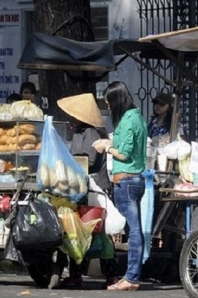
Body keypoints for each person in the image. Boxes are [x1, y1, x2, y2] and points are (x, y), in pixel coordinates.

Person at [57, 93, 119, 289]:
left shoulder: (91, 133)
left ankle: (111, 276)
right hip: (81, 188)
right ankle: (76, 275)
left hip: (96, 189)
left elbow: (88, 160)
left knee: (100, 234)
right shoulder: (77, 131)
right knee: (78, 233)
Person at [93, 81, 147, 291]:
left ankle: (132, 277)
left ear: (117, 101)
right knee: (135, 229)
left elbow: (123, 154)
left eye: (109, 103)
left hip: (126, 181)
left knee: (133, 230)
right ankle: (131, 276)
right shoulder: (138, 118)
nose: (108, 107)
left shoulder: (127, 120)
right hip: (137, 179)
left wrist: (106, 146)